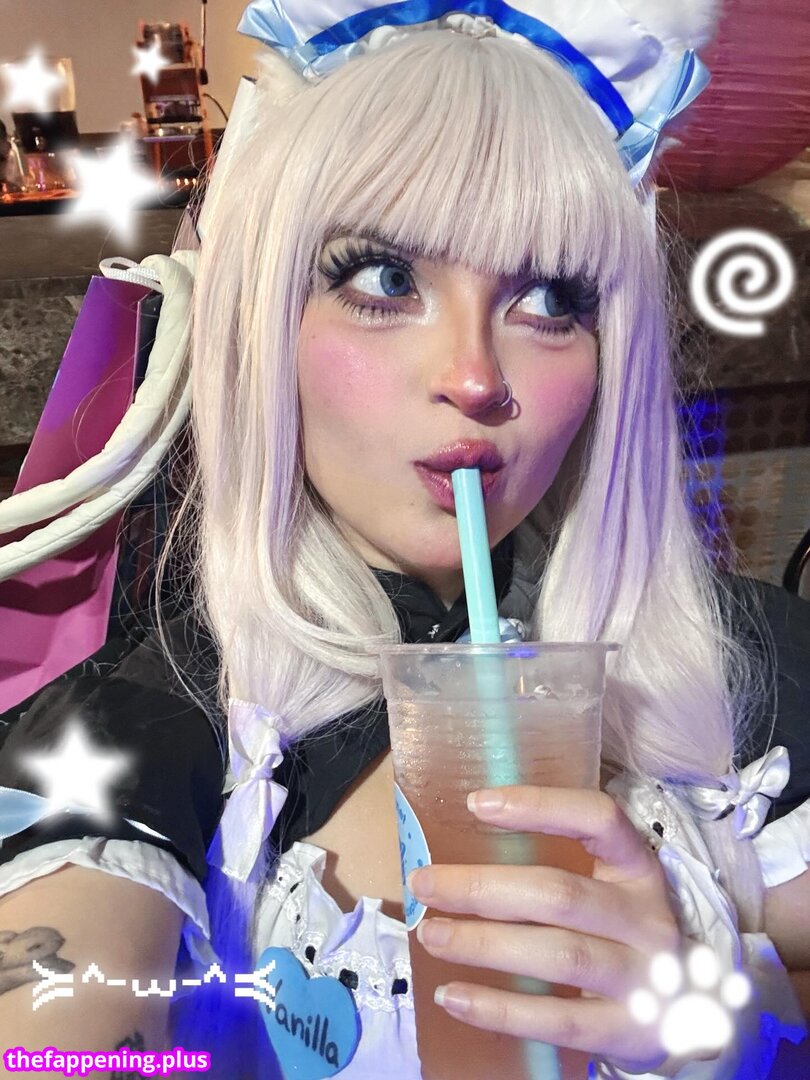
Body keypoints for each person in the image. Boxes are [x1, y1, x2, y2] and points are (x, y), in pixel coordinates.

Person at [1, 2, 809, 1077]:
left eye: (550, 297)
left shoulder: (740, 669)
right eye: (384, 279)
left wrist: (722, 1028)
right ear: (263, 322)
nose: (474, 377)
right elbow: (59, 1019)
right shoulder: (150, 735)